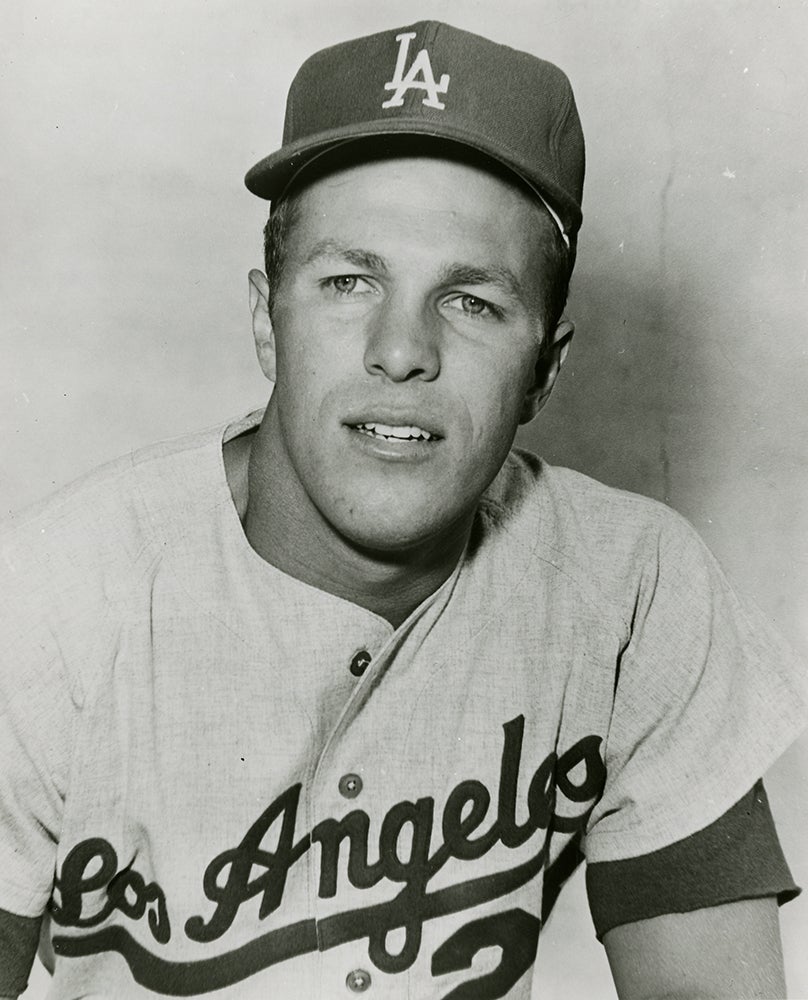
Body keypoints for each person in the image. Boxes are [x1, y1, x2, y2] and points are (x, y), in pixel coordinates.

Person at [0, 19, 805, 1000]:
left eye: (470, 301)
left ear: (544, 370)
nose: (398, 351)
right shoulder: (49, 601)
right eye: (348, 281)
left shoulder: (632, 591)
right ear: (266, 318)